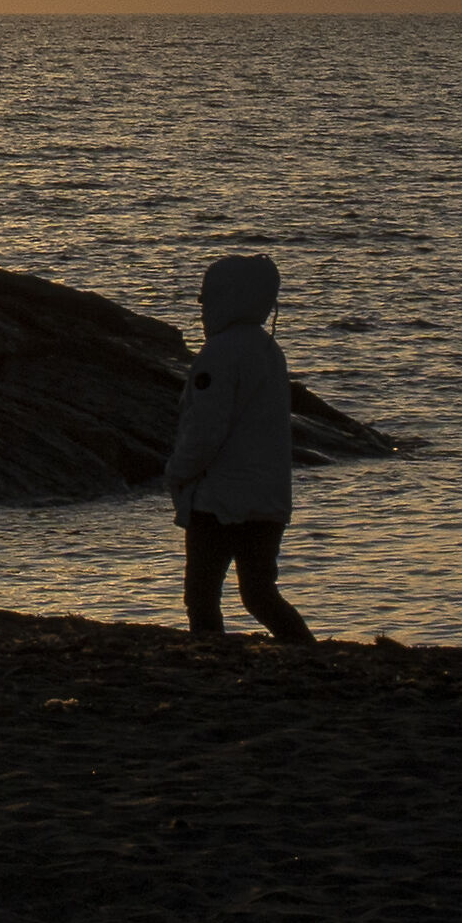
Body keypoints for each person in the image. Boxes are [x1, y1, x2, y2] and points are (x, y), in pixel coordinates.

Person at [163, 251, 317, 643]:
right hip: (268, 500)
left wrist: (178, 473)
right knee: (260, 594)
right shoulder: (268, 350)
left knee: (201, 596)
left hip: (219, 502)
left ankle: (212, 662)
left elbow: (205, 430)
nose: (202, 309)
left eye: (205, 299)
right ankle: (307, 654)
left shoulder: (219, 354)